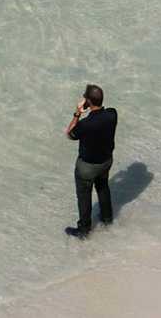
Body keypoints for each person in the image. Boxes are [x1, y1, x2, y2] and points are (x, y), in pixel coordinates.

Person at [64, 84, 118, 239]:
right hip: (106, 162)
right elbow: (106, 112)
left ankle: (83, 230)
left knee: (84, 196)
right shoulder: (112, 114)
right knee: (103, 187)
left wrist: (77, 113)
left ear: (88, 101)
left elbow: (69, 134)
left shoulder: (85, 124)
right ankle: (107, 219)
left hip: (87, 167)